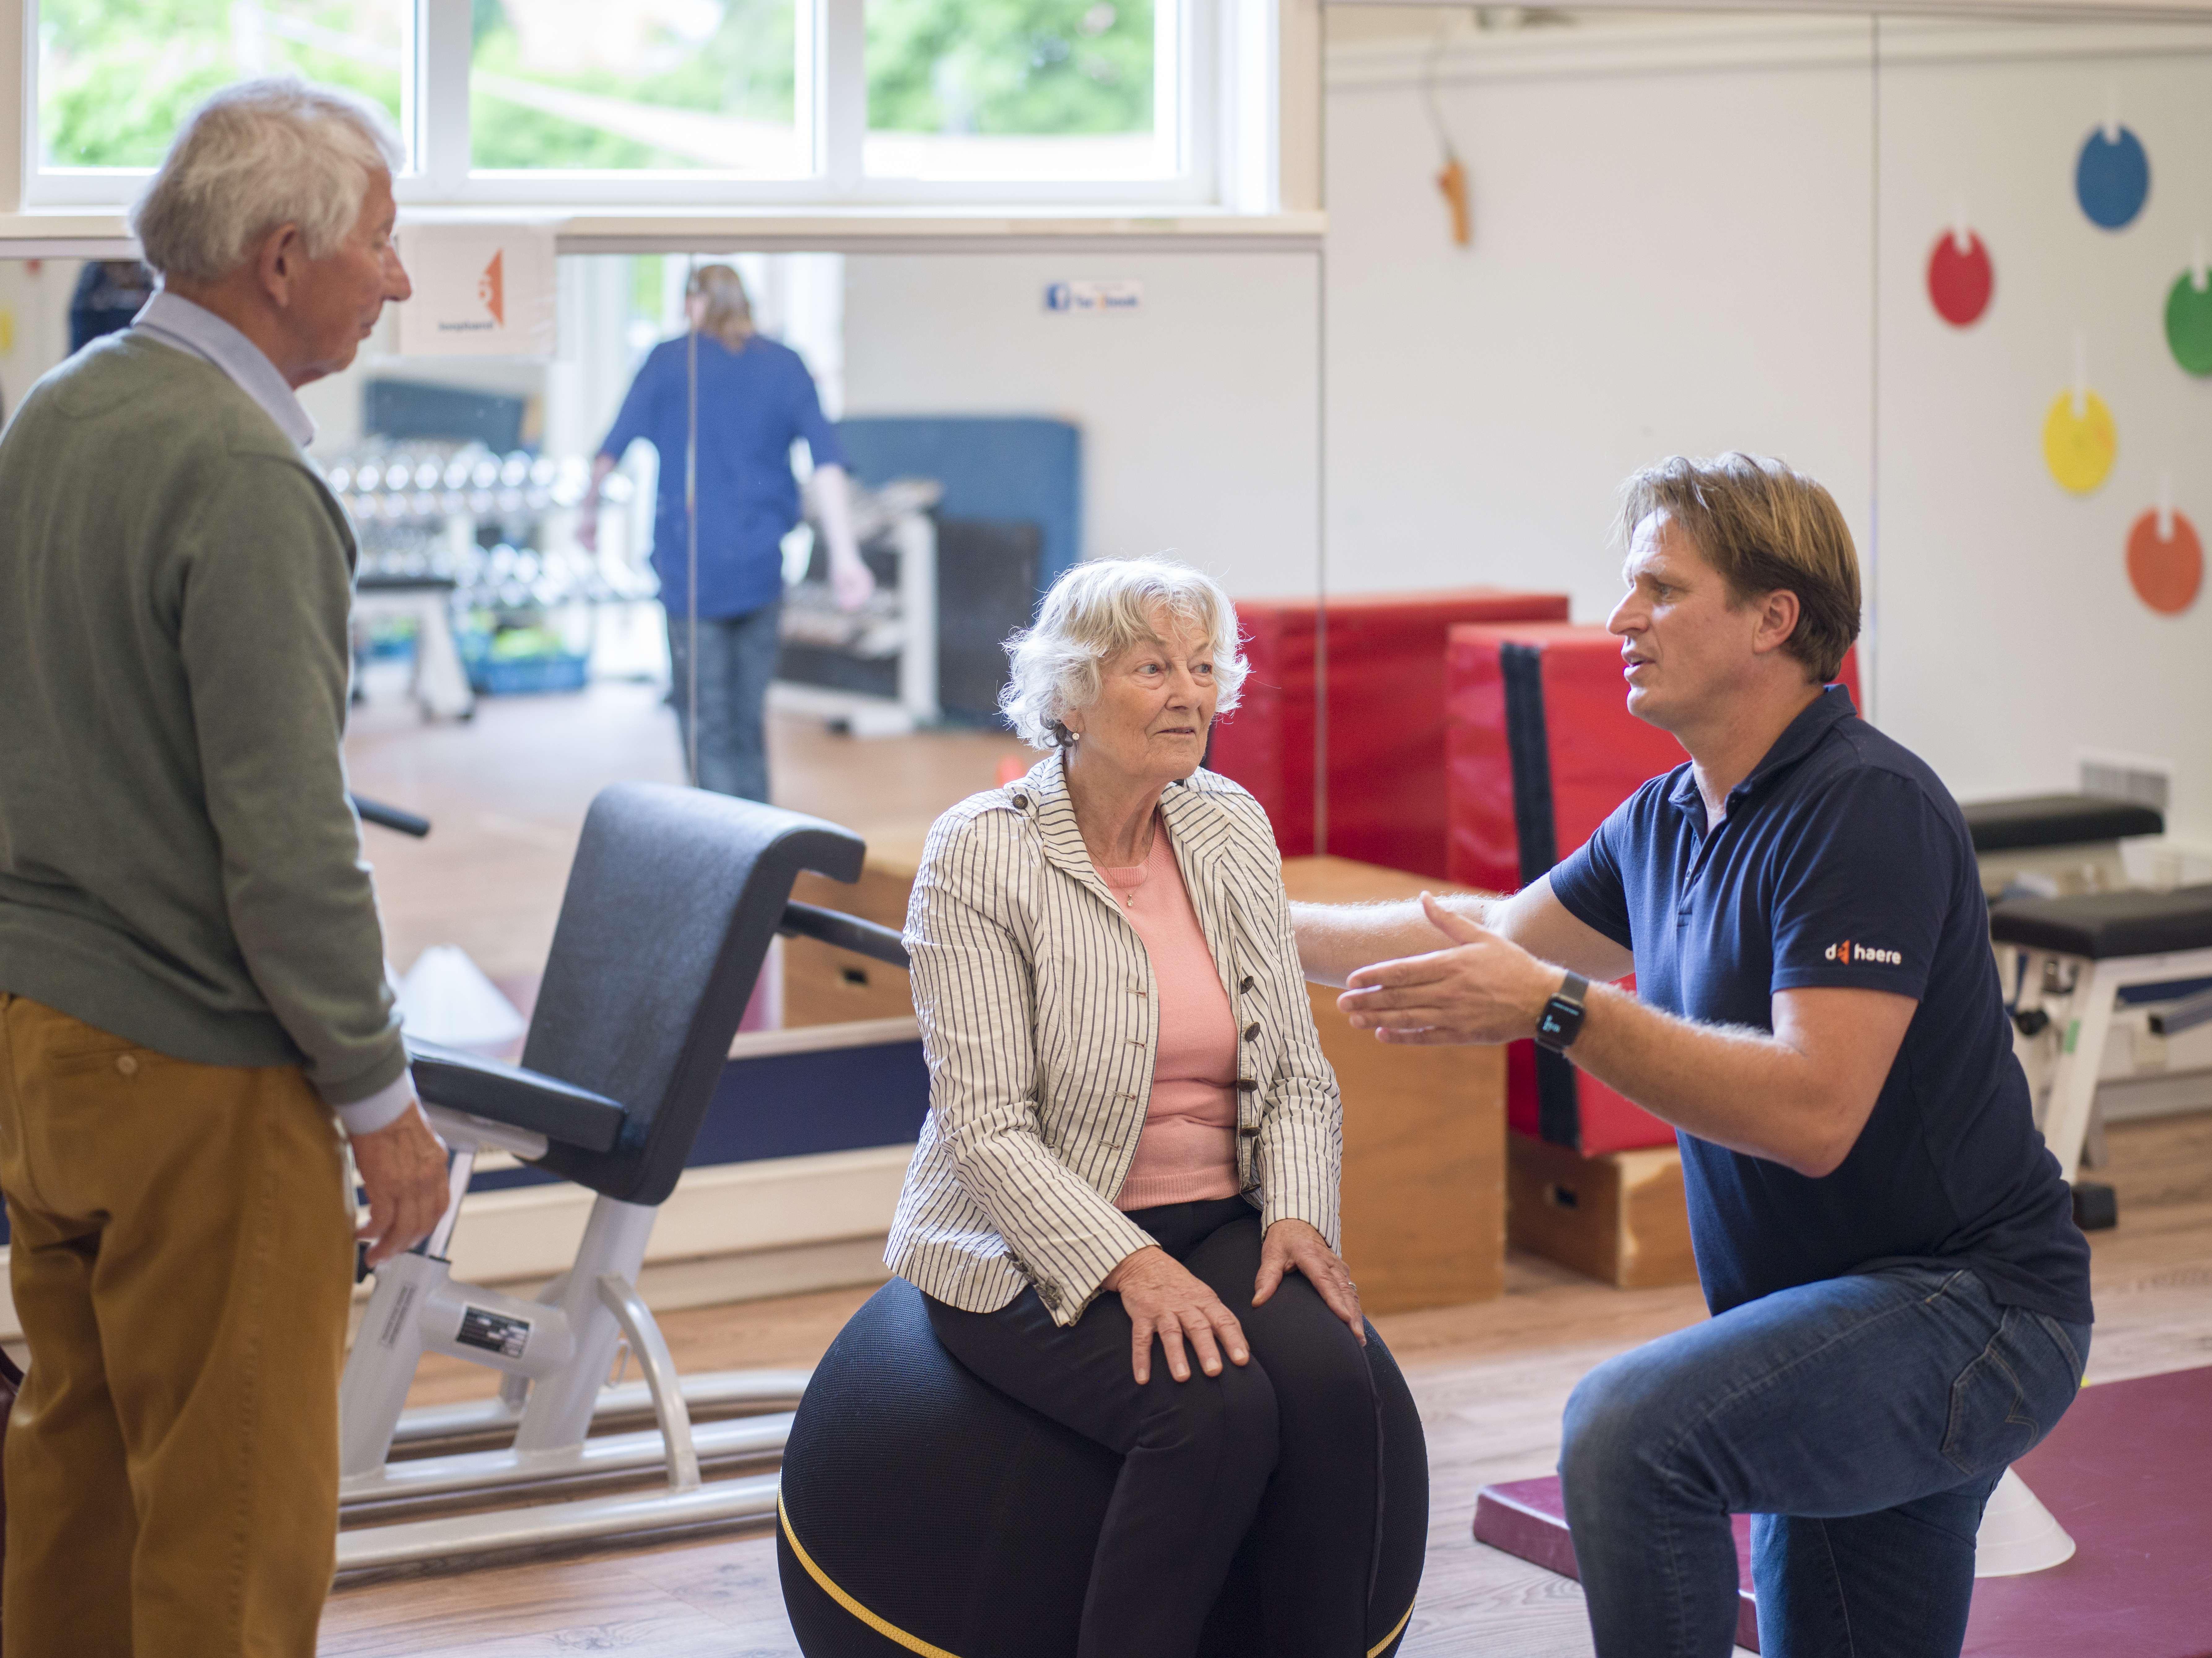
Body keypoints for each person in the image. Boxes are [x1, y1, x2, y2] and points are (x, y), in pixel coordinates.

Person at [1295, 454, 2093, 1658]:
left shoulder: (1864, 806)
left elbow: (1813, 1108)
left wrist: (1560, 1008)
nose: (1618, 619)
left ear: (1773, 619)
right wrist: (1230, 911)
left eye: (1659, 590)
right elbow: (1489, 934)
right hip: (1824, 1319)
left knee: (1627, 1432)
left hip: (1974, 1311)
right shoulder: (1670, 817)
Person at [0, 80, 451, 1657]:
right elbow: (286, 845)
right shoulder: (249, 477)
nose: (398, 279)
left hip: (41, 1048)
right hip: (193, 1068)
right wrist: (382, 1105)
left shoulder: (61, 410)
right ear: (280, 258)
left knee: (75, 1480)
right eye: (382, 246)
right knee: (233, 1529)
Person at [886, 557, 1394, 1658]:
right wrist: (1126, 1263)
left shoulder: (1226, 824)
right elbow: (985, 1128)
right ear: (1067, 696)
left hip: (1216, 1212)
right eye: (1152, 666)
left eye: (1204, 666)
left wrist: (1297, 1216)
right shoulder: (981, 849)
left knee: (1332, 1392)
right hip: (1018, 1241)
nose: (1190, 693)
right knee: (1209, 1410)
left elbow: (1296, 1070)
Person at [576, 263, 873, 803]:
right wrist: (846, 556)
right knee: (746, 716)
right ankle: (762, 842)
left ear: (692, 303)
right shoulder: (784, 366)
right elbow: (827, 463)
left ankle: (723, 849)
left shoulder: (670, 361)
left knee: (703, 719)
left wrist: (589, 511)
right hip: (760, 566)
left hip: (690, 567)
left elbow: (611, 448)